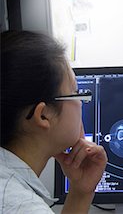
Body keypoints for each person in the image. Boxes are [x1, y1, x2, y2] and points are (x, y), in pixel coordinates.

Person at [1, 30, 107, 213]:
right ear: (43, 115)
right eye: (75, 92)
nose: (80, 103)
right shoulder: (23, 207)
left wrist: (80, 193)